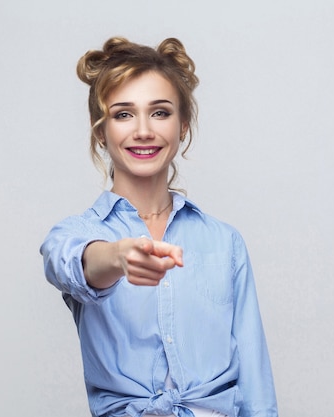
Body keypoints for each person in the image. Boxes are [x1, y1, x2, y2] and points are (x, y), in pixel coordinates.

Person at [40, 36, 278, 417]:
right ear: (100, 130)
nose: (143, 131)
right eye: (123, 114)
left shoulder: (224, 243)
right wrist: (118, 256)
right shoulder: (74, 235)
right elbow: (70, 263)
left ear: (183, 124)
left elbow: (255, 381)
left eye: (160, 112)